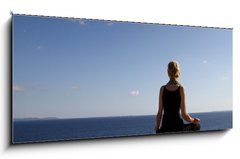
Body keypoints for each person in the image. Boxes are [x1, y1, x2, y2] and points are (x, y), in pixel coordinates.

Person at [155, 61, 200, 133]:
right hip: (178, 127)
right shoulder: (181, 89)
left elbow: (159, 113)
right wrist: (194, 120)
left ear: (168, 72)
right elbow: (184, 115)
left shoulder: (162, 89)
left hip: (166, 128)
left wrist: (157, 128)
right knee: (197, 125)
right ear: (178, 72)